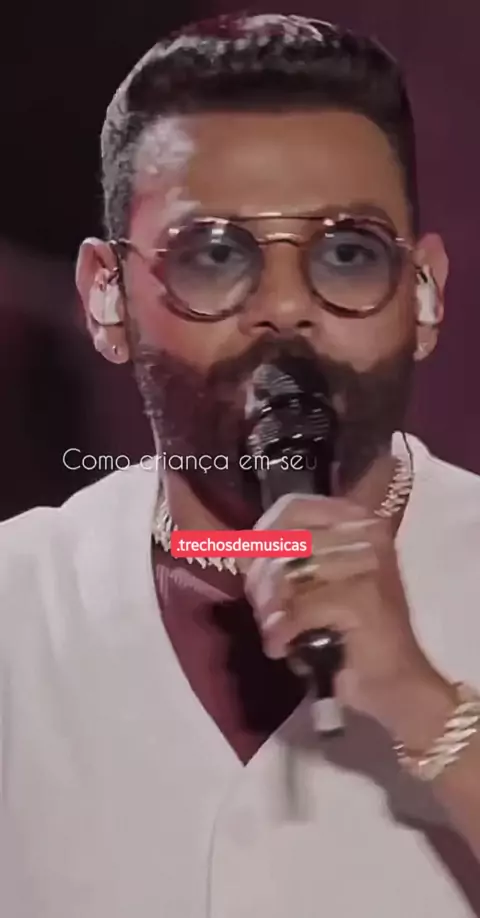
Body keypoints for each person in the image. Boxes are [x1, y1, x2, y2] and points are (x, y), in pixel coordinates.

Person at [1, 11, 480, 917]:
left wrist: (422, 705)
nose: (286, 306)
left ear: (422, 294)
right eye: (216, 255)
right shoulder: (20, 601)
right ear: (107, 298)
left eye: (347, 253)